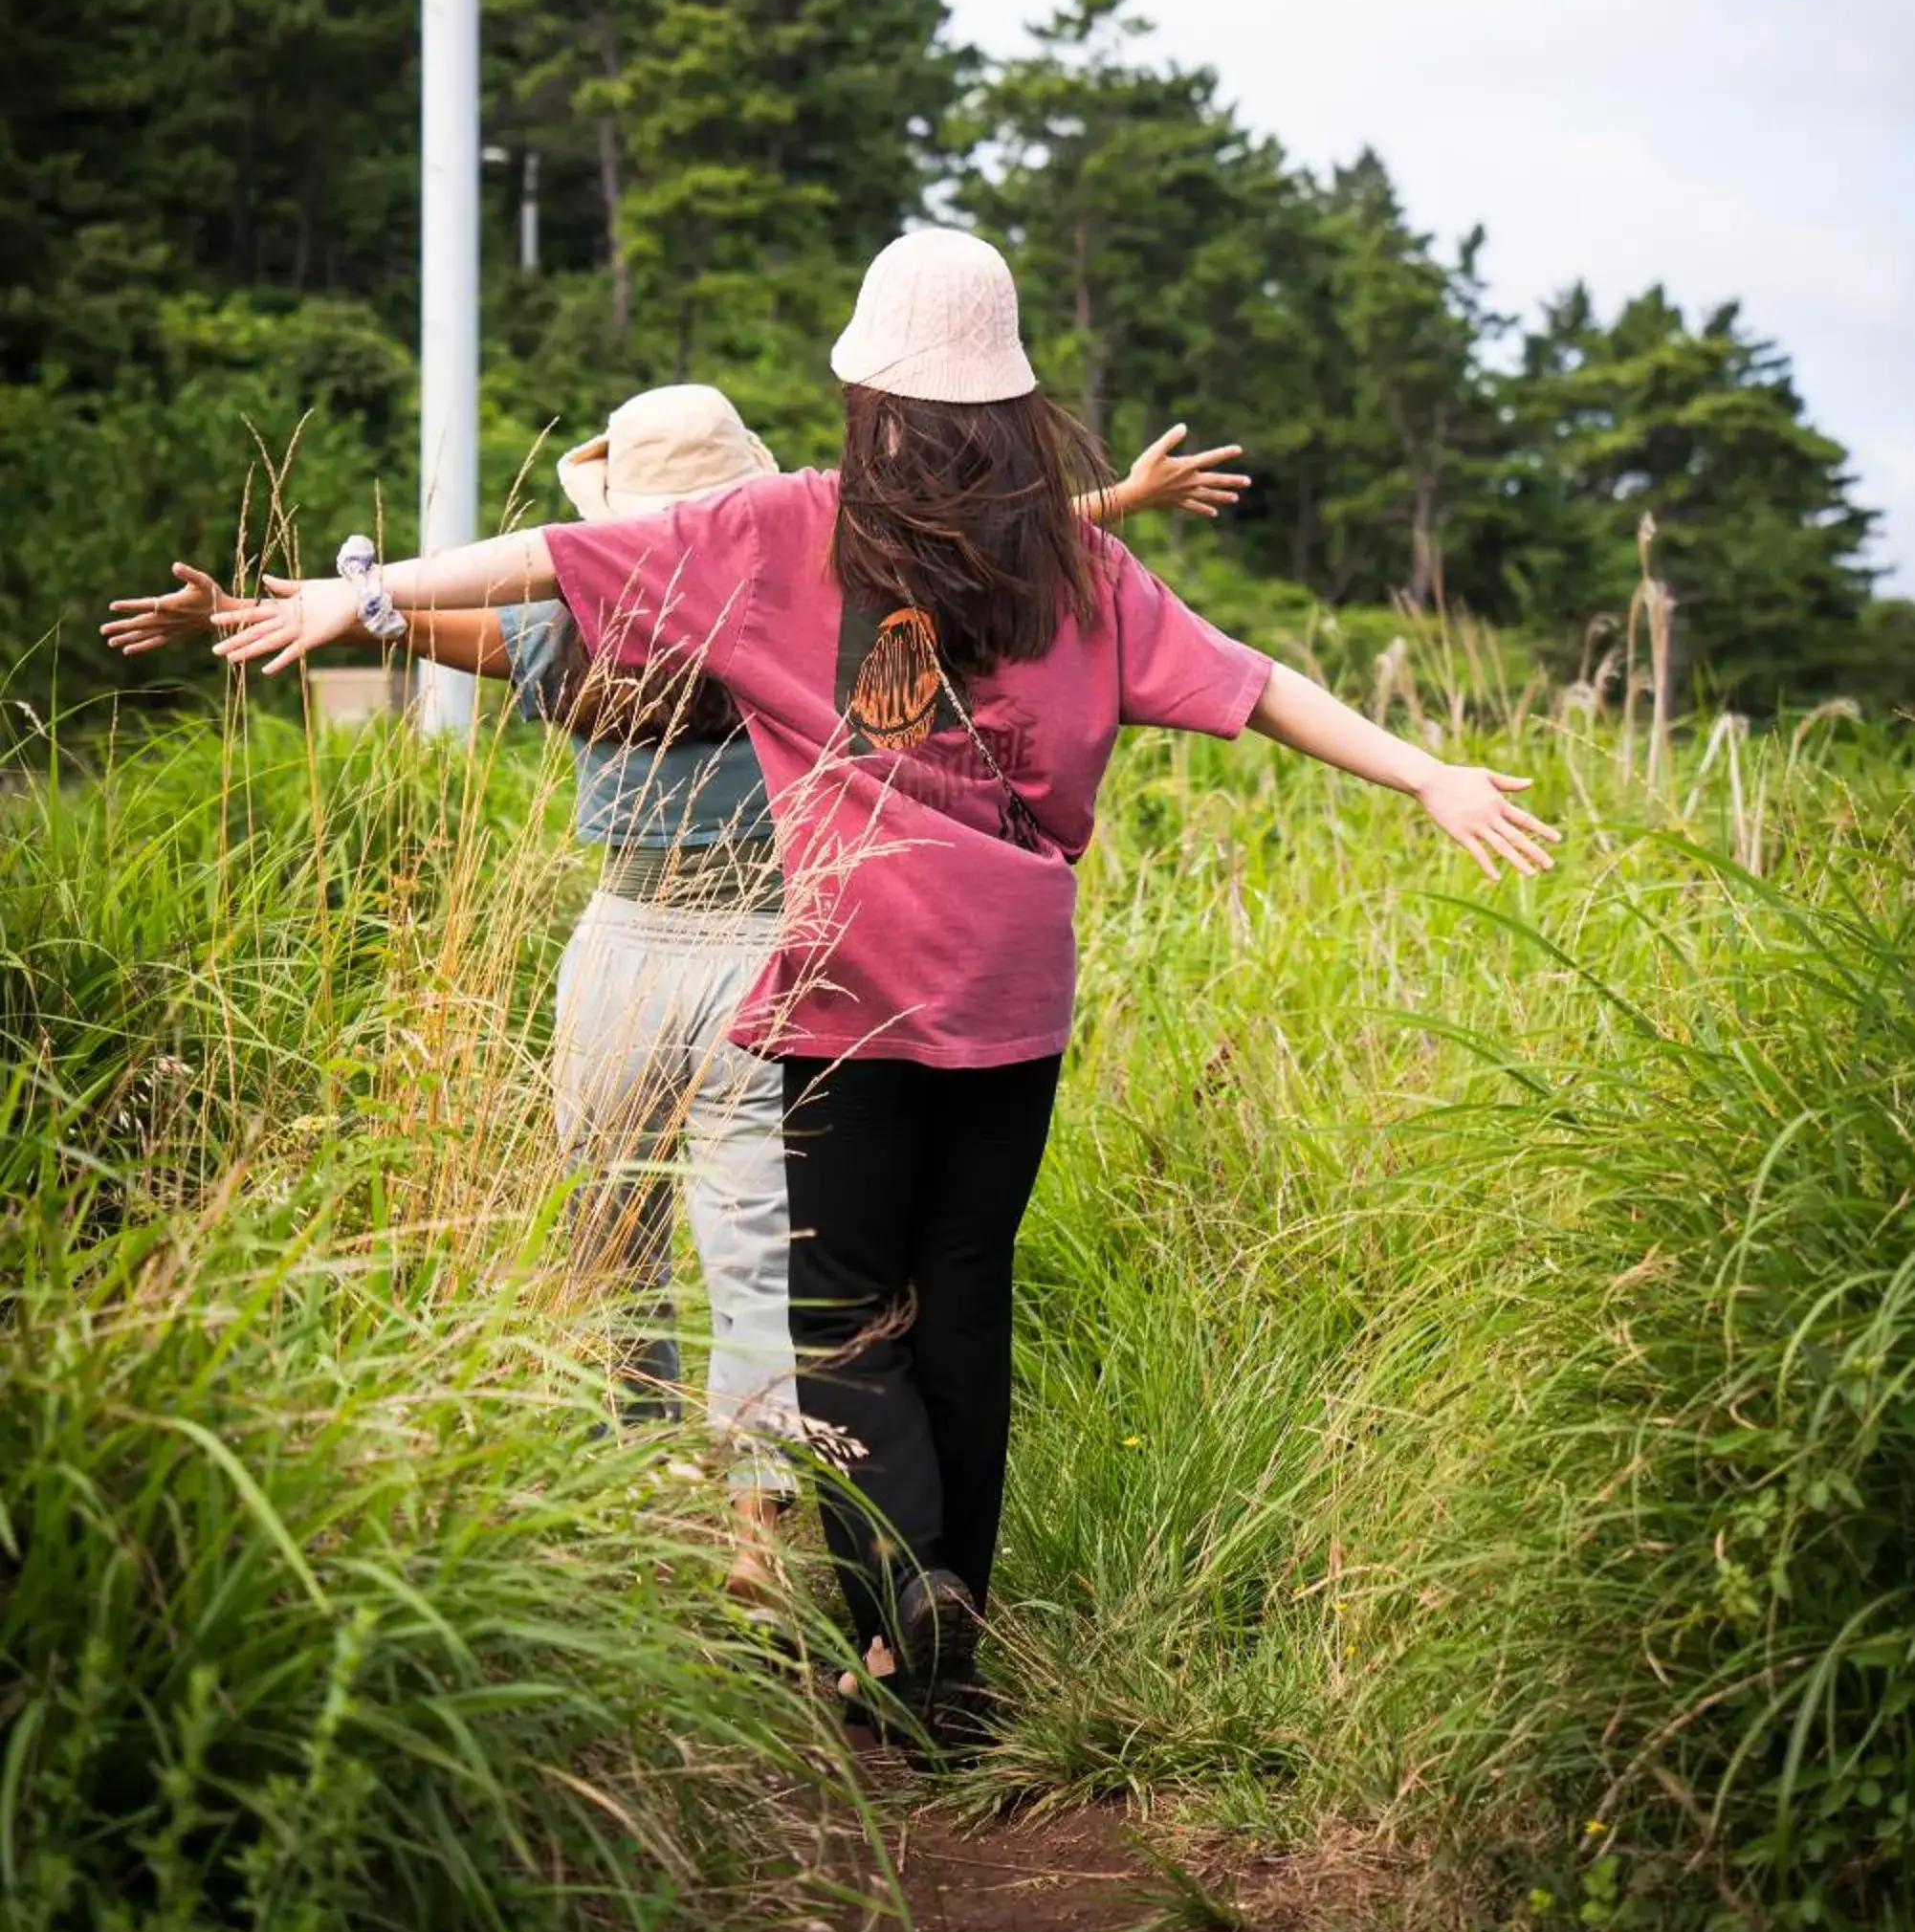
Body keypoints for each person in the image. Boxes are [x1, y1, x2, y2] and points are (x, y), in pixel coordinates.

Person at [200, 232, 1558, 1741]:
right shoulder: (1075, 562)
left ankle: (900, 1594)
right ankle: (947, 1669)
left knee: (840, 1316)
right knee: (963, 1303)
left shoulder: (789, 528)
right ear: (1014, 399)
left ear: (860, 388)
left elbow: (550, 563)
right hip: (1012, 992)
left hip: (849, 982)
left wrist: (366, 592)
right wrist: (1423, 768)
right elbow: (1253, 682)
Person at [104, 370, 1247, 1610]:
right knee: (767, 1257)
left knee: (614, 1246)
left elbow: (474, 631)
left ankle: (634, 1516)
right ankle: (760, 1543)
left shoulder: (589, 628)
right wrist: (1111, 500)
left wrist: (357, 608)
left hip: (621, 952)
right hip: (780, 947)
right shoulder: (794, 596)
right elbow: (965, 562)